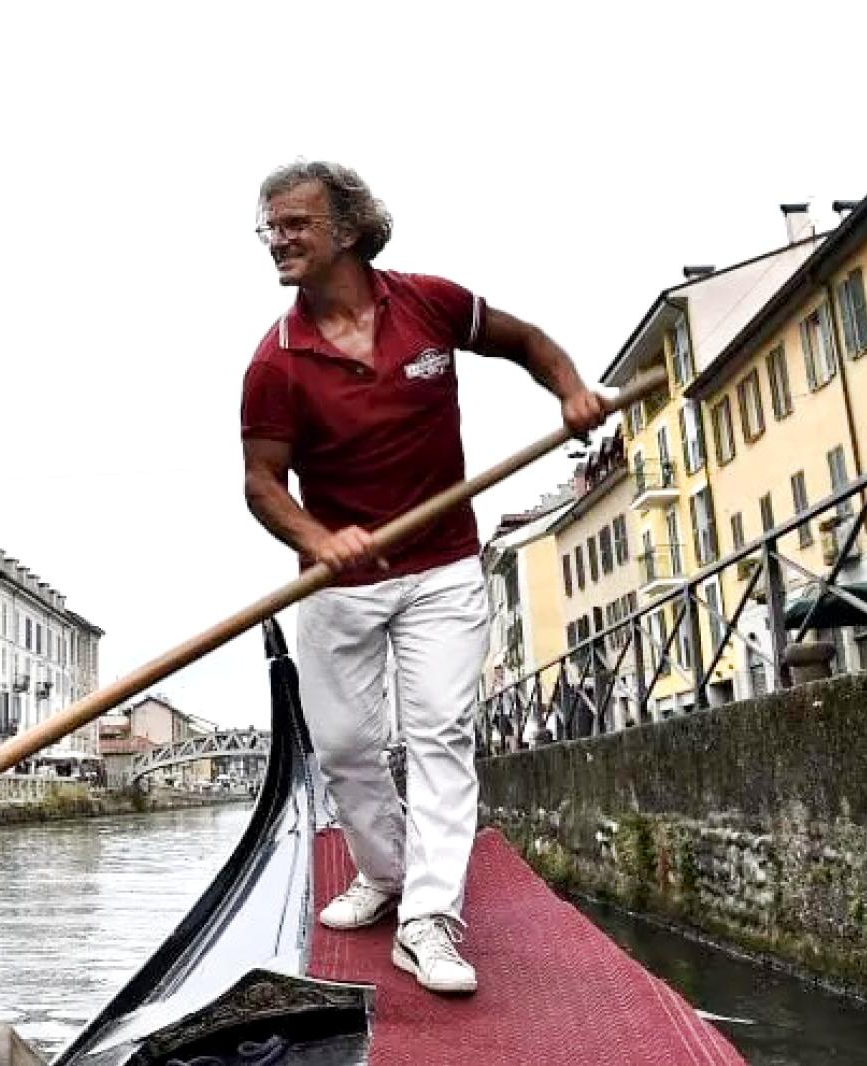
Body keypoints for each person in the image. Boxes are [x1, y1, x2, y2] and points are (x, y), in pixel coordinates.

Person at [240, 160, 606, 995]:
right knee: (343, 747)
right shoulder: (277, 363)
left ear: (348, 228)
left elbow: (525, 342)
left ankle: (431, 918)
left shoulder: (430, 303)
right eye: (270, 227)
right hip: (338, 581)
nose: (277, 239)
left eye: (294, 223)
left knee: (441, 732)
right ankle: (387, 871)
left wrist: (572, 388)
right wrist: (319, 538)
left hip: (443, 565)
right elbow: (262, 484)